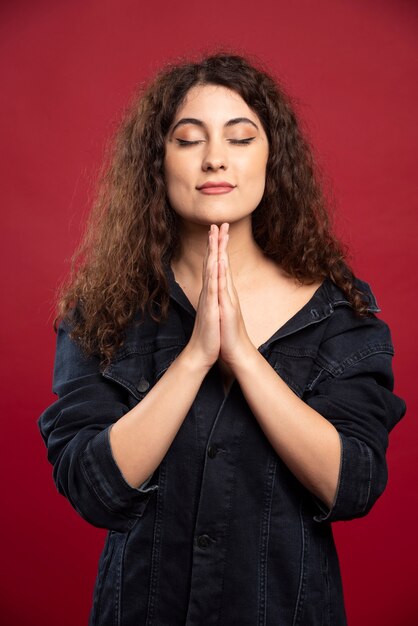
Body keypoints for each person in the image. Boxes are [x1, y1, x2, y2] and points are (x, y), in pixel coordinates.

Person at [38, 52, 406, 626]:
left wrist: (242, 356)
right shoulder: (105, 311)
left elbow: (353, 484)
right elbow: (95, 488)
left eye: (240, 138)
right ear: (156, 163)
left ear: (270, 157)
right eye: (188, 140)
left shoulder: (337, 311)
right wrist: (194, 357)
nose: (214, 159)